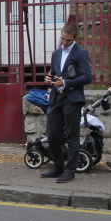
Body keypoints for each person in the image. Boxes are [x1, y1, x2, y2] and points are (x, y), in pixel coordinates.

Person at [40, 24, 92, 183]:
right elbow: (53, 74)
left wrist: (66, 83)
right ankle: (58, 166)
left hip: (72, 99)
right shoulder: (56, 54)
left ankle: (70, 170)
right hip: (56, 98)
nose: (64, 42)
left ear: (74, 39)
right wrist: (49, 79)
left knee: (72, 136)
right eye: (62, 38)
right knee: (52, 135)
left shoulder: (81, 53)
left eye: (68, 40)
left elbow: (87, 77)